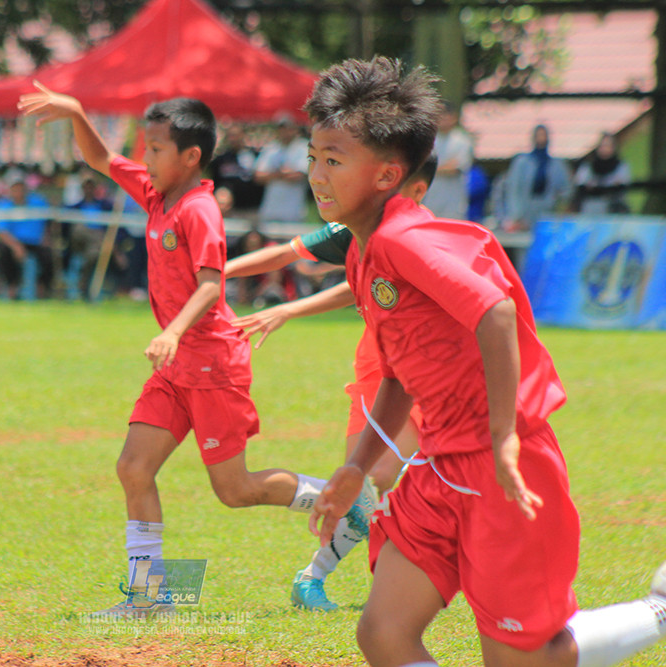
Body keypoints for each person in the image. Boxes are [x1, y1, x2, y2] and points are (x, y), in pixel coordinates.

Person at [305, 56, 666, 667]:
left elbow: (494, 312)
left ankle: (659, 610)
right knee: (384, 633)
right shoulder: (365, 253)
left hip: (503, 469)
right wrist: (358, 467)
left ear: (390, 175)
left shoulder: (401, 238)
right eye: (314, 156)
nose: (316, 173)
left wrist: (503, 437)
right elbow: (400, 374)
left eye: (334, 160)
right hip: (441, 468)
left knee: (525, 661)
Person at [19, 82, 340, 618]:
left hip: (212, 364)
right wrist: (76, 109)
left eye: (158, 149)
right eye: (146, 146)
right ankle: (149, 597)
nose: (147, 156)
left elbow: (212, 285)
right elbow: (100, 156)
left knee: (234, 491)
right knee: (133, 468)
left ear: (191, 157)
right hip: (175, 369)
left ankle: (338, 496)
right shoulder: (153, 191)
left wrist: (171, 331)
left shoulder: (199, 210)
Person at [225, 154, 437, 612]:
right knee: (374, 479)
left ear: (414, 189)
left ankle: (415, 580)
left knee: (423, 478)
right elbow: (294, 257)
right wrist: (214, 275)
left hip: (430, 367)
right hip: (379, 366)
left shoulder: (425, 238)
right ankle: (314, 577)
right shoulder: (356, 228)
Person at [500, 124, 571, 232]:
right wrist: (516, 215)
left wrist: (557, 206)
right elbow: (513, 188)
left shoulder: (556, 164)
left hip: (547, 211)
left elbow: (565, 189)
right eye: (538, 135)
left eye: (543, 135)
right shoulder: (522, 162)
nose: (541, 138)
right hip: (525, 211)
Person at [0, 176, 54, 301]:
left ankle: (41, 289)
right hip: (14, 242)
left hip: (36, 242)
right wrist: (16, 246)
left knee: (48, 256)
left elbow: (50, 221)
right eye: (15, 188)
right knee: (4, 254)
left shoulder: (39, 203)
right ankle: (11, 287)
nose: (18, 191)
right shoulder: (5, 207)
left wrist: (47, 237)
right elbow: (2, 231)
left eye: (21, 188)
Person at [254, 113, 310, 225]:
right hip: (270, 210)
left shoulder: (303, 148)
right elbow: (258, 176)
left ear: (295, 129)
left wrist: (272, 174)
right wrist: (283, 173)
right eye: (282, 128)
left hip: (293, 211)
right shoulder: (271, 149)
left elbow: (299, 176)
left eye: (288, 128)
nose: (285, 132)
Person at [421, 102, 473, 220]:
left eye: (446, 115)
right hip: (430, 198)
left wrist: (433, 168)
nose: (443, 119)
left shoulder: (462, 140)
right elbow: (421, 166)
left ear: (454, 117)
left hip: (453, 201)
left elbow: (455, 168)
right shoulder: (428, 140)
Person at [209, 124, 264, 220]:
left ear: (243, 136)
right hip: (228, 210)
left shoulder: (254, 156)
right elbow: (216, 183)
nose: (233, 139)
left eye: (236, 135)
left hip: (250, 208)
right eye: (231, 136)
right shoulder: (222, 159)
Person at [572, 132, 631, 215]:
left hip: (613, 210)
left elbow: (621, 187)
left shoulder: (621, 167)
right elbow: (580, 186)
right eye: (603, 146)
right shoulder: (588, 166)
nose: (605, 149)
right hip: (590, 208)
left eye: (608, 146)